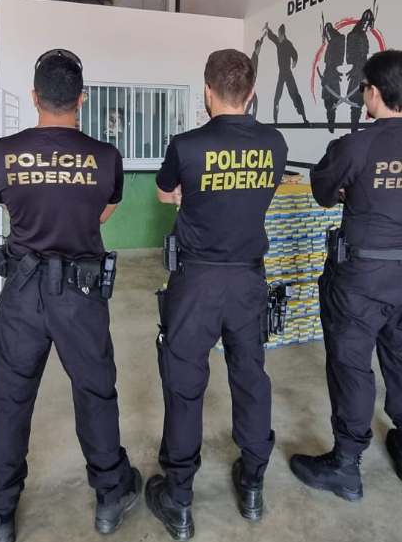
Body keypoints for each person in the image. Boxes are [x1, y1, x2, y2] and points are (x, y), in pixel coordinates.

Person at [0, 49, 141, 542]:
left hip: (21, 294)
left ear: (34, 97)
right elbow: (101, 214)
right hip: (81, 296)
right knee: (95, 394)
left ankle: (0, 511)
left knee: (12, 401)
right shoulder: (106, 157)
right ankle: (111, 497)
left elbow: (7, 206)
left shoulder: (1, 153)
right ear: (81, 100)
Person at [146, 49, 289, 540]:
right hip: (250, 280)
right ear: (250, 95)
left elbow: (167, 194)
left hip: (197, 283)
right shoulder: (274, 143)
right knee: (250, 377)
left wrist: (190, 192)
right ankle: (252, 484)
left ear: (207, 91)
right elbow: (260, 192)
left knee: (185, 384)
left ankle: (180, 500)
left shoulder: (185, 145)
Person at [290, 50, 402, 501]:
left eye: (363, 88)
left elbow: (322, 191)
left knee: (352, 363)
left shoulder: (355, 145)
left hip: (361, 278)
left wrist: (348, 189)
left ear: (372, 92)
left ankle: (345, 465)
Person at [264, 22, 310, 125]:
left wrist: (295, 60)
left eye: (280, 35)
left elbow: (294, 53)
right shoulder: (278, 41)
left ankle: (304, 118)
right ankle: (275, 120)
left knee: (295, 94)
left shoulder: (288, 44)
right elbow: (271, 36)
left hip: (288, 73)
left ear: (283, 34)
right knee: (277, 97)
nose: (279, 37)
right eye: (278, 35)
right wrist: (267, 29)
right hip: (282, 74)